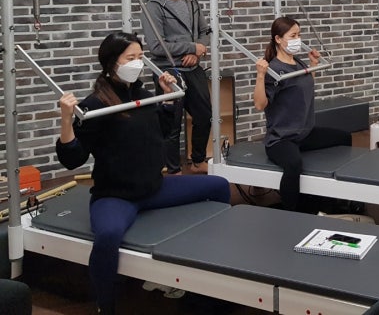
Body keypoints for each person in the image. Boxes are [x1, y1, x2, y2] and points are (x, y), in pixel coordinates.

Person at [56, 32, 231, 315]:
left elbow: (163, 130)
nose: (137, 63)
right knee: (108, 235)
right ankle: (105, 305)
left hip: (154, 188)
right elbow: (72, 159)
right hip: (116, 196)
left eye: (140, 57)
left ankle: (213, 267)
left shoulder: (142, 95)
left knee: (219, 186)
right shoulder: (94, 105)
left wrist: (167, 98)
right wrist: (66, 120)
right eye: (130, 58)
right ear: (112, 63)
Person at [253, 17, 351, 211]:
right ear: (278, 39)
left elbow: (304, 85)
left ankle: (330, 201)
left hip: (304, 133)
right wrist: (260, 75)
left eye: (299, 34)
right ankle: (292, 212)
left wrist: (313, 65)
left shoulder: (297, 61)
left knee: (344, 138)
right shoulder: (274, 69)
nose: (298, 39)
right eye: (293, 36)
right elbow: (259, 104)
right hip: (281, 139)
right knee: (293, 164)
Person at [141, 0, 211, 174]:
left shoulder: (191, 1)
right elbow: (156, 46)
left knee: (204, 116)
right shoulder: (153, 5)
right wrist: (191, 47)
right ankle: (173, 170)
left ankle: (198, 161)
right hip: (168, 72)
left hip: (194, 67)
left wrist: (197, 51)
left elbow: (205, 31)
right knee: (171, 124)